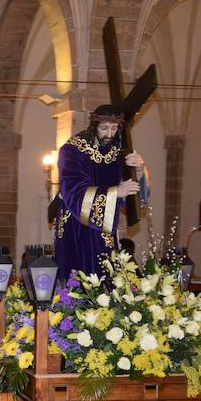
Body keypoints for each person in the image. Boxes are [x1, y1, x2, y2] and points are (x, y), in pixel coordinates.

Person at [54, 105, 149, 281]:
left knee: (106, 275)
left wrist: (140, 171)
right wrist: (115, 192)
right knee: (78, 278)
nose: (109, 134)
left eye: (114, 129)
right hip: (76, 225)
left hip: (105, 227)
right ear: (93, 125)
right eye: (104, 128)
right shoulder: (73, 150)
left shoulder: (119, 152)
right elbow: (73, 192)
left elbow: (132, 201)